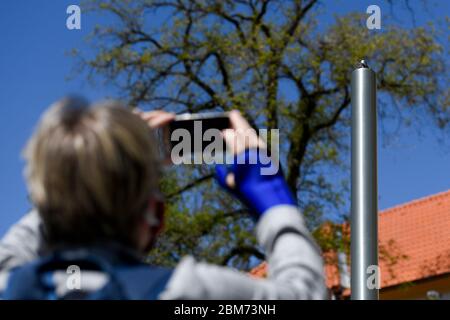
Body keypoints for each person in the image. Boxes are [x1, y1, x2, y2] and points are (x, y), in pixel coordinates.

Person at [0, 97, 326, 299]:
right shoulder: (186, 291)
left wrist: (86, 170)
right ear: (155, 215)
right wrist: (271, 195)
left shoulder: (10, 285)